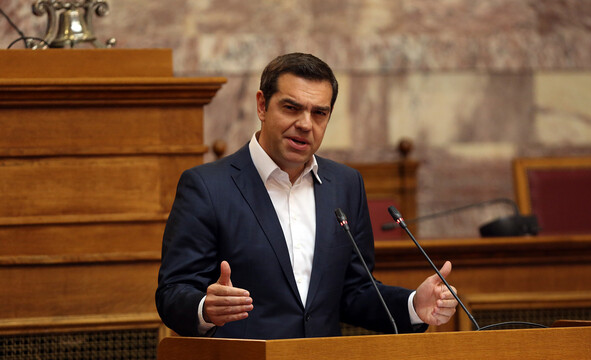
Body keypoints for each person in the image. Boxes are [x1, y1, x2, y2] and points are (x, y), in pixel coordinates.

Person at [155, 52, 458, 339]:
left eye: (319, 113)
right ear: (262, 106)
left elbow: (354, 292)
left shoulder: (345, 184)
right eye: (291, 108)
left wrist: (413, 305)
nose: (305, 124)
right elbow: (172, 292)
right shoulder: (207, 187)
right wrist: (206, 308)